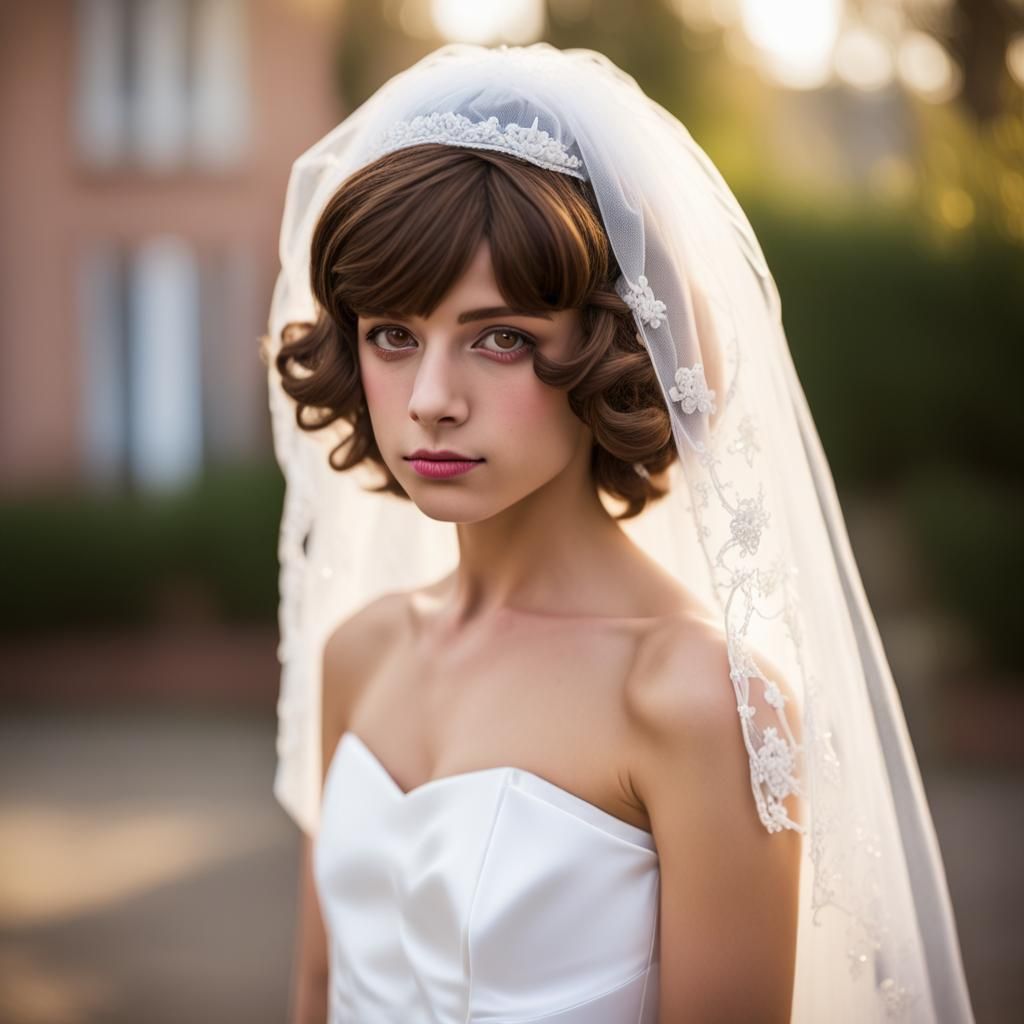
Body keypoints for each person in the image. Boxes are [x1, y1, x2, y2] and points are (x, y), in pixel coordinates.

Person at [263, 43, 975, 1024]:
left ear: (611, 348)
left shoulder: (699, 703)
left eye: (500, 338)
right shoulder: (361, 651)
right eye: (392, 334)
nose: (430, 400)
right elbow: (315, 992)